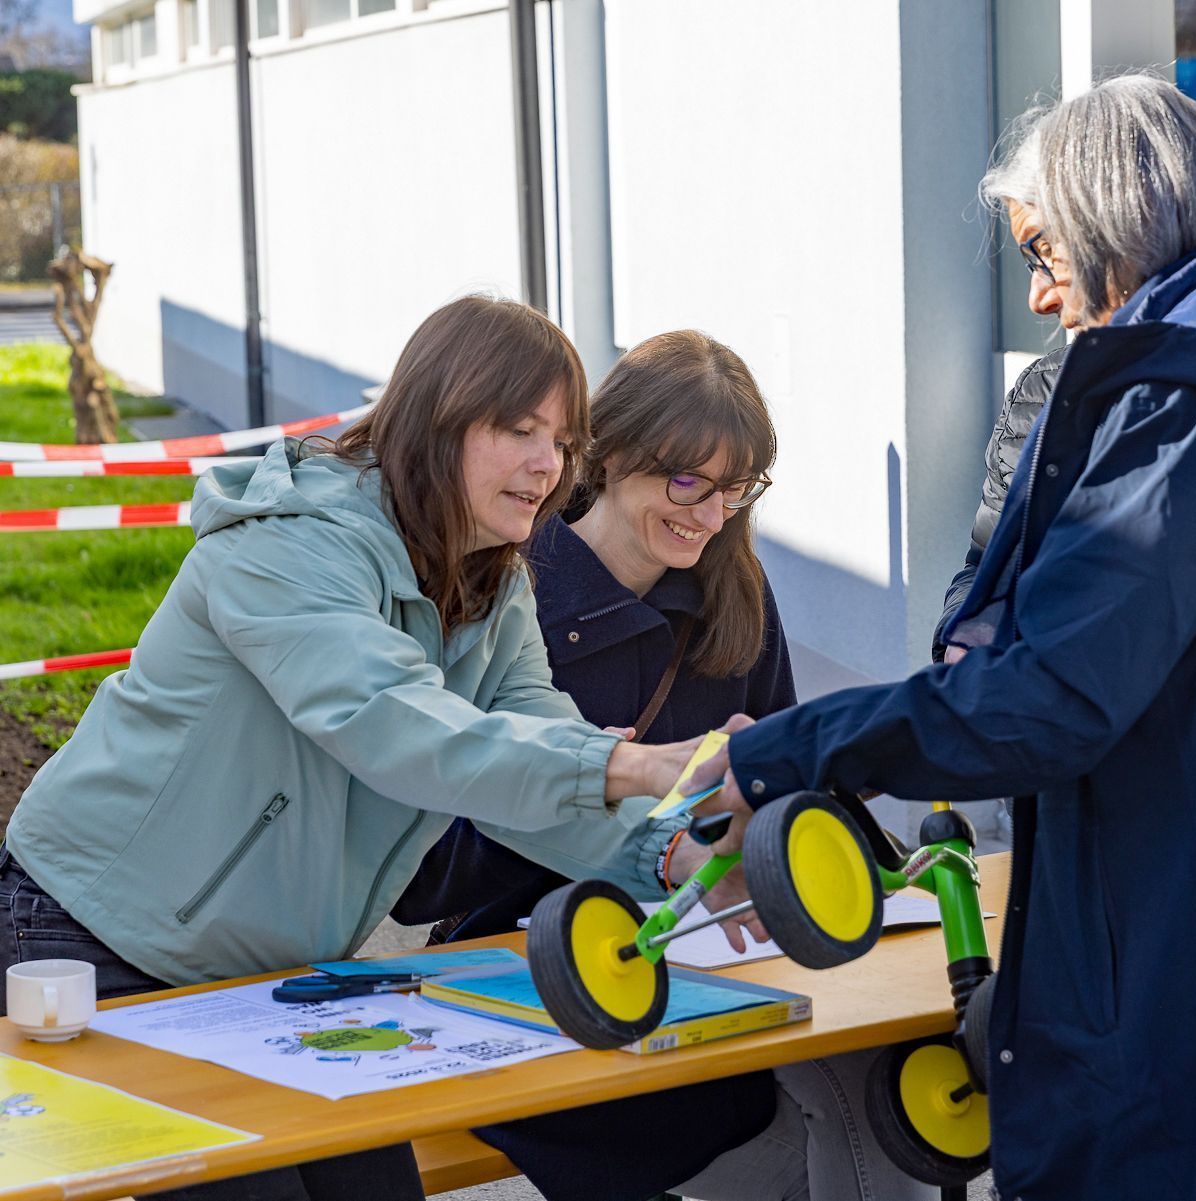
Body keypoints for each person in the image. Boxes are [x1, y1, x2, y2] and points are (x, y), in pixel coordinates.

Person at [690, 75, 1196, 1200]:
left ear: (1113, 219)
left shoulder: (1185, 399)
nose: (1037, 297)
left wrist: (783, 750)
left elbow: (1049, 700)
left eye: (1042, 250)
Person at [0, 296, 768, 1200]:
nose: (546, 464)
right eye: (518, 429)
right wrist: (639, 763)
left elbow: (541, 752)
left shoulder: (495, 582)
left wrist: (677, 853)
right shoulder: (291, 542)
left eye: (561, 441)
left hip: (271, 970)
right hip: (93, 939)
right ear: (438, 421)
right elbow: (394, 724)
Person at [394, 329, 932, 1201]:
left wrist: (772, 795)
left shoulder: (735, 596)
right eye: (687, 481)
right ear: (607, 456)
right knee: (838, 1113)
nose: (710, 515)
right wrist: (574, 789)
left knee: (879, 1077)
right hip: (543, 968)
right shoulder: (504, 594)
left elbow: (775, 805)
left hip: (717, 946)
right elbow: (418, 878)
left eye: (734, 489)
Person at [934, 118, 1069, 665]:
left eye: (1046, 254)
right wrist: (961, 638)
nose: (1038, 298)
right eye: (1028, 263)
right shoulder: (1041, 392)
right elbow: (983, 565)